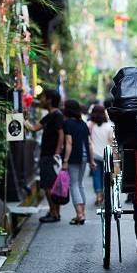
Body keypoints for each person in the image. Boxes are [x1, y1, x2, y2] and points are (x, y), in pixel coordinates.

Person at [24, 89, 64, 223]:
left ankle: (53, 213)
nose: (41, 100)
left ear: (50, 100)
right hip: (47, 155)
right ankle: (55, 212)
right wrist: (21, 120)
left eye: (44, 97)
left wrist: (57, 153)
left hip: (50, 156)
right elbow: (34, 128)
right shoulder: (50, 115)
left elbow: (61, 134)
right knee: (52, 185)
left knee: (48, 186)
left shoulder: (57, 115)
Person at [62, 99, 96, 224]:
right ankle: (82, 213)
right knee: (79, 184)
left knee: (74, 184)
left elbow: (69, 143)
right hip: (84, 157)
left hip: (73, 157)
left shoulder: (67, 123)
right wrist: (91, 160)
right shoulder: (83, 123)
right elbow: (89, 143)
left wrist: (65, 160)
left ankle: (79, 214)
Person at [88, 105, 114, 206]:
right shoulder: (109, 126)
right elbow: (111, 141)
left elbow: (88, 139)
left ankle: (99, 195)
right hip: (107, 154)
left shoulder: (90, 124)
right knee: (106, 176)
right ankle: (105, 193)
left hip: (94, 154)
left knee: (96, 176)